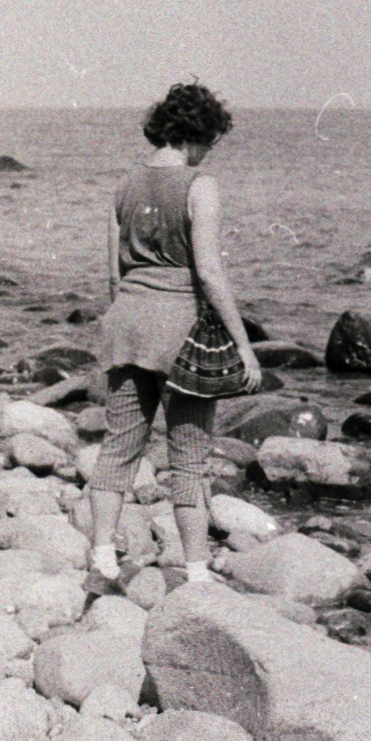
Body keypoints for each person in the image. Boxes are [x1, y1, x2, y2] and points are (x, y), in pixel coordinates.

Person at [88, 81, 261, 587]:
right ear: (194, 134)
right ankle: (197, 571)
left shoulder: (124, 185)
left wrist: (129, 315)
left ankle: (102, 555)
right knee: (189, 457)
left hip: (126, 325)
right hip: (181, 335)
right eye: (210, 141)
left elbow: (114, 276)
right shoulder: (199, 185)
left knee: (119, 447)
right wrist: (244, 347)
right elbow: (209, 273)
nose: (210, 151)